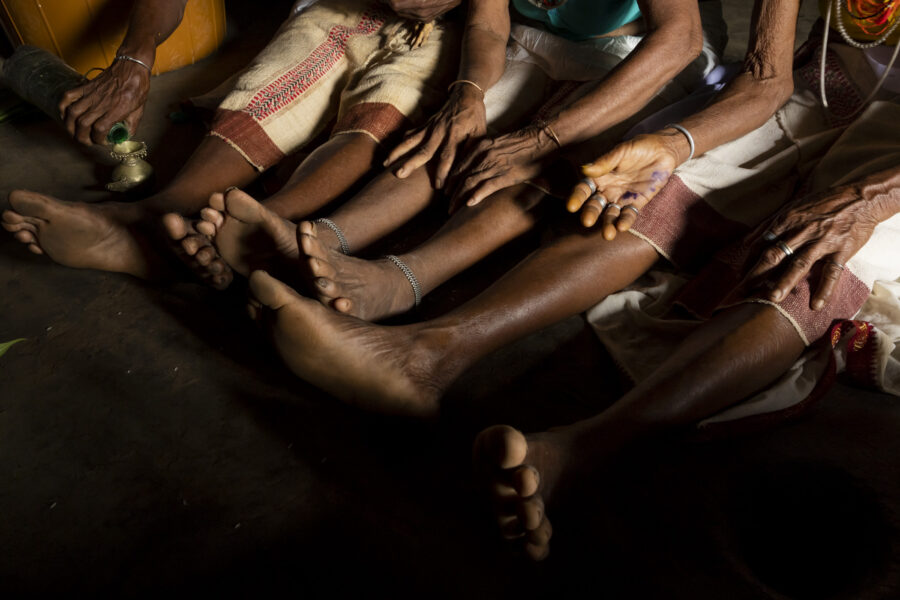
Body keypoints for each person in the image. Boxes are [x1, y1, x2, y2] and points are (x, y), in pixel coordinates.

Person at [232, 0, 900, 560]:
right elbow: (766, 79)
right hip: (818, 101)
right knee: (647, 187)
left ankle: (578, 453)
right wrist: (671, 147)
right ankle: (424, 353)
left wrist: (865, 200)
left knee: (814, 262)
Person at [181, 0, 723, 313]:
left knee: (538, 160)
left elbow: (678, 39)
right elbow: (489, 23)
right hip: (535, 40)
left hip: (639, 58)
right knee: (451, 131)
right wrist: (467, 93)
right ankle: (321, 238)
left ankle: (404, 281)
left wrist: (544, 136)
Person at [2, 0, 462, 287]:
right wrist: (135, 58)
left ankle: (254, 230)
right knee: (283, 75)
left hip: (454, 30)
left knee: (388, 104)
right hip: (346, 5)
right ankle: (159, 214)